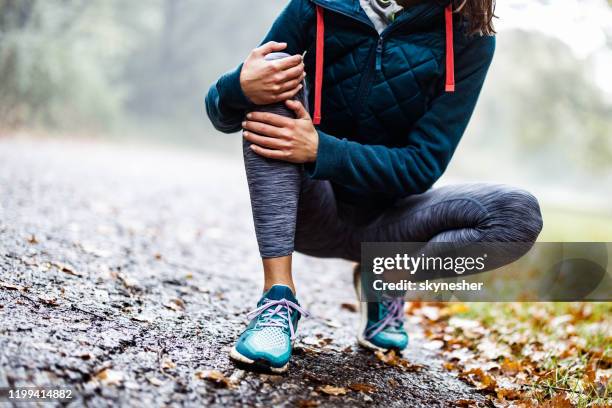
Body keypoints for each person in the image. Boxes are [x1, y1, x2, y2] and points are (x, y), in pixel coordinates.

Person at [205, 0, 543, 373]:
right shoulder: (316, 6)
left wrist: (321, 149)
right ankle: (277, 300)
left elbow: (422, 165)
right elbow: (223, 113)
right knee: (273, 88)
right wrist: (239, 86)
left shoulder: (469, 35)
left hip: (392, 223)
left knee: (516, 214)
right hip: (311, 209)